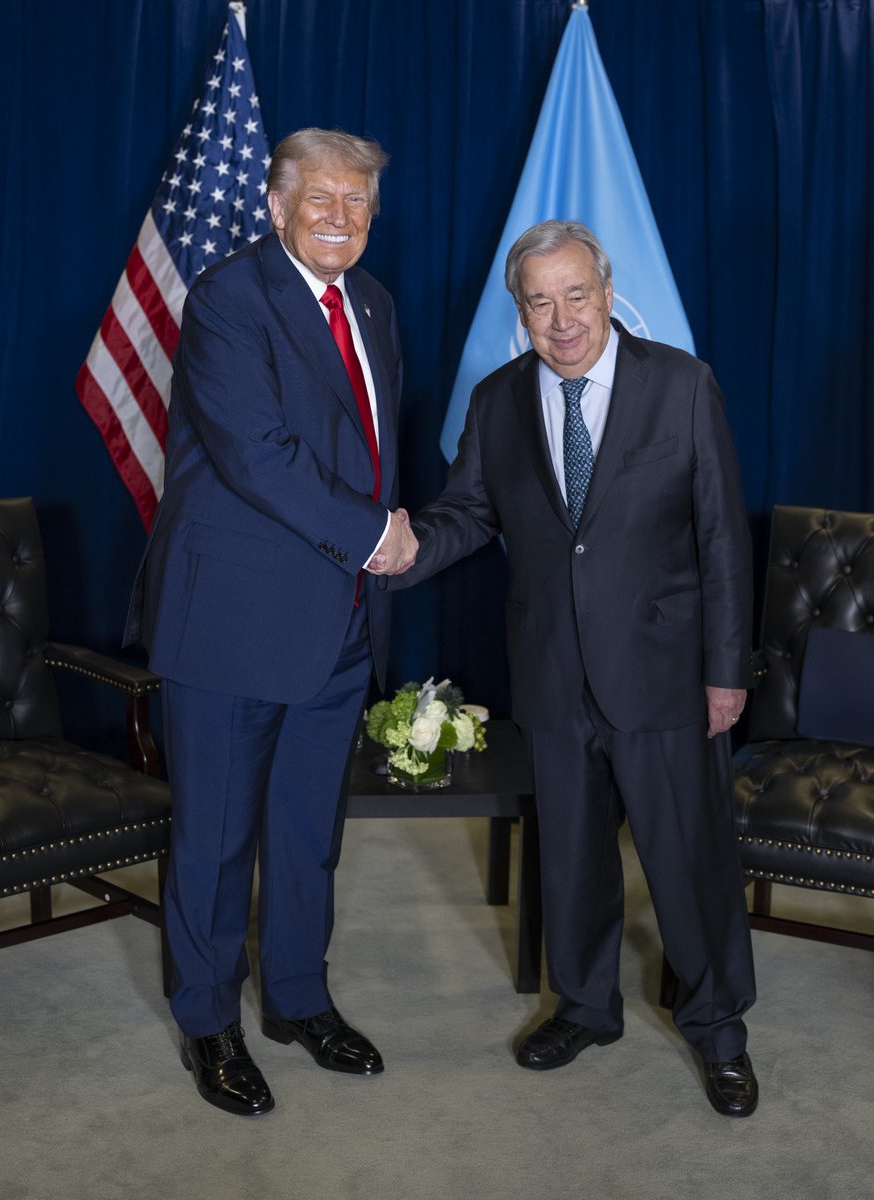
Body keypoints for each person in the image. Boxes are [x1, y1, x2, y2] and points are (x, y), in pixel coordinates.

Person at [376, 219, 758, 1117]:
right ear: (520, 310)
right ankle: (585, 1007)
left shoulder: (681, 386)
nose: (560, 321)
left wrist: (724, 670)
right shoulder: (498, 398)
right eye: (538, 302)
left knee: (687, 860)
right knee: (573, 858)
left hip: (664, 670)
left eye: (575, 296)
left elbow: (720, 539)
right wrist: (399, 548)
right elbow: (468, 512)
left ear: (607, 291)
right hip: (549, 671)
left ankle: (718, 1031)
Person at [126, 128, 417, 1117]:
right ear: (277, 203)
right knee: (212, 838)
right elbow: (257, 454)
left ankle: (297, 998)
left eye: (358, 202)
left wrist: (372, 547)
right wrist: (377, 535)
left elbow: (369, 446)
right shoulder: (227, 298)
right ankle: (209, 1022)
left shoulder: (371, 302)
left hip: (338, 618)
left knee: (306, 832)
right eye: (322, 199)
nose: (341, 217)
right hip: (234, 620)